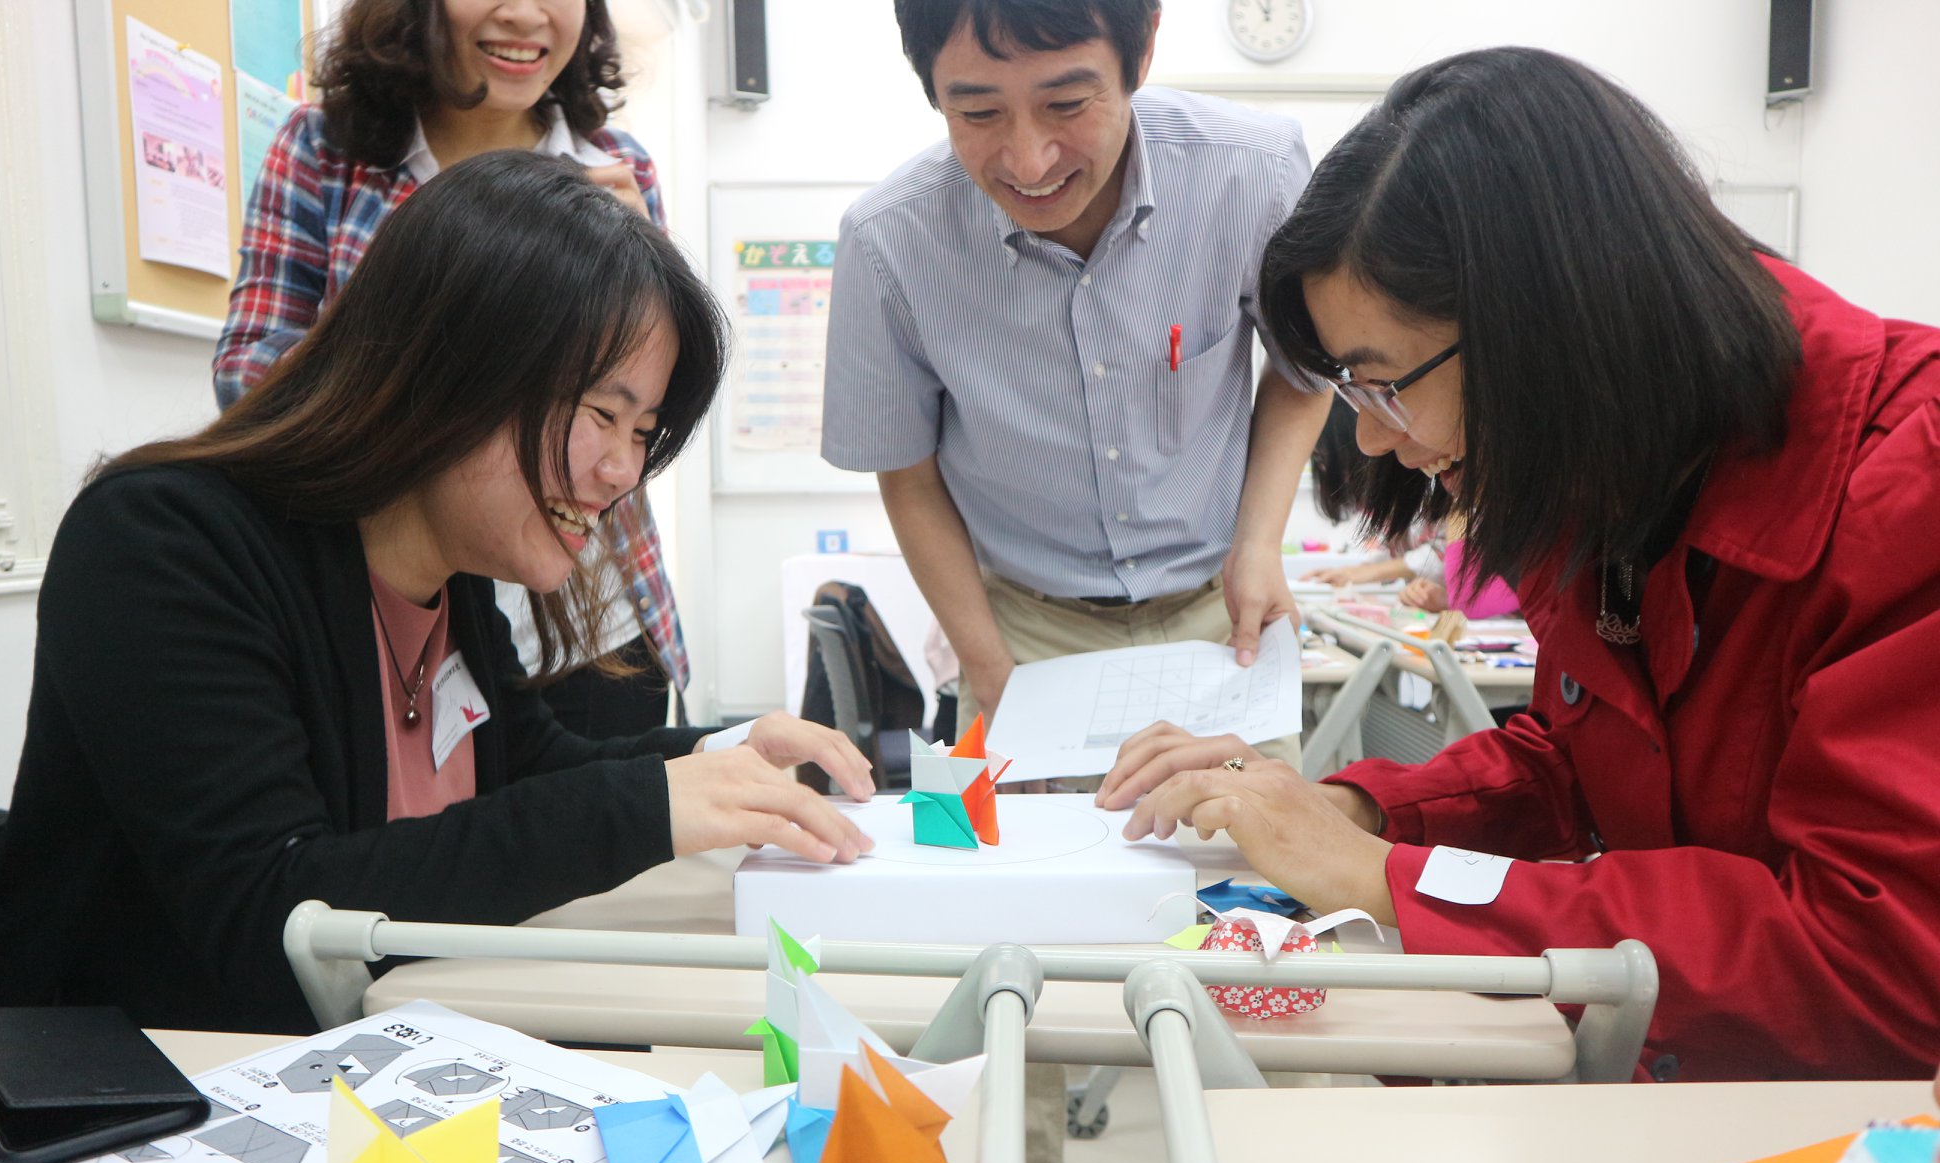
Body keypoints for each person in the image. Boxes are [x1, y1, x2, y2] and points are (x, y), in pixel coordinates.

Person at [1098, 47, 1940, 1082]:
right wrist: (1357, 813)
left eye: (1384, 385)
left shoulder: (1906, 482)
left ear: (1548, 322)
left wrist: (1389, 878)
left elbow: (1878, 956)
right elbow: (1576, 762)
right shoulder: (1613, 462)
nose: (1374, 439)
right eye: (1352, 392)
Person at [0, 153, 873, 1035]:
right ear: (454, 369)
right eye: (603, 415)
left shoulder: (450, 577)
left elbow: (524, 766)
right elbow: (272, 915)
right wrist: (643, 807)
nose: (622, 471)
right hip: (151, 1079)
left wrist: (723, 758)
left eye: (643, 431)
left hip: (370, 1054)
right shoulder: (163, 543)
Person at [821, 0, 1331, 751]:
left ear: (1142, 49)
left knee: (1248, 827)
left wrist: (1258, 546)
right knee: (1022, 832)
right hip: (1022, 629)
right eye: (979, 113)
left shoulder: (1253, 170)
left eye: (1067, 103)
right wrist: (987, 666)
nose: (1029, 162)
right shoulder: (889, 241)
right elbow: (909, 476)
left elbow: (1302, 370)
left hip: (1222, 616)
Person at [215, 0, 686, 735]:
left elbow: (643, 403)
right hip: (402, 616)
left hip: (589, 625)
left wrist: (643, 283)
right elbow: (246, 376)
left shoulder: (618, 166)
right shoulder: (326, 149)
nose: (525, 15)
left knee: (610, 799)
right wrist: (436, 278)